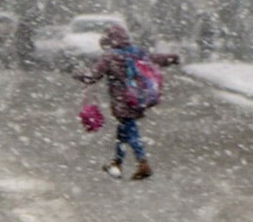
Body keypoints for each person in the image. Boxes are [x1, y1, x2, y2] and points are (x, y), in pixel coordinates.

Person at [73, 24, 179, 180]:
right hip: (138, 98)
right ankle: (117, 163)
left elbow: (93, 75)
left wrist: (79, 74)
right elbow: (155, 59)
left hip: (122, 101)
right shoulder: (136, 53)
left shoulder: (110, 56)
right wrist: (172, 58)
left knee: (131, 131)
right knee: (123, 132)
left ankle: (143, 163)